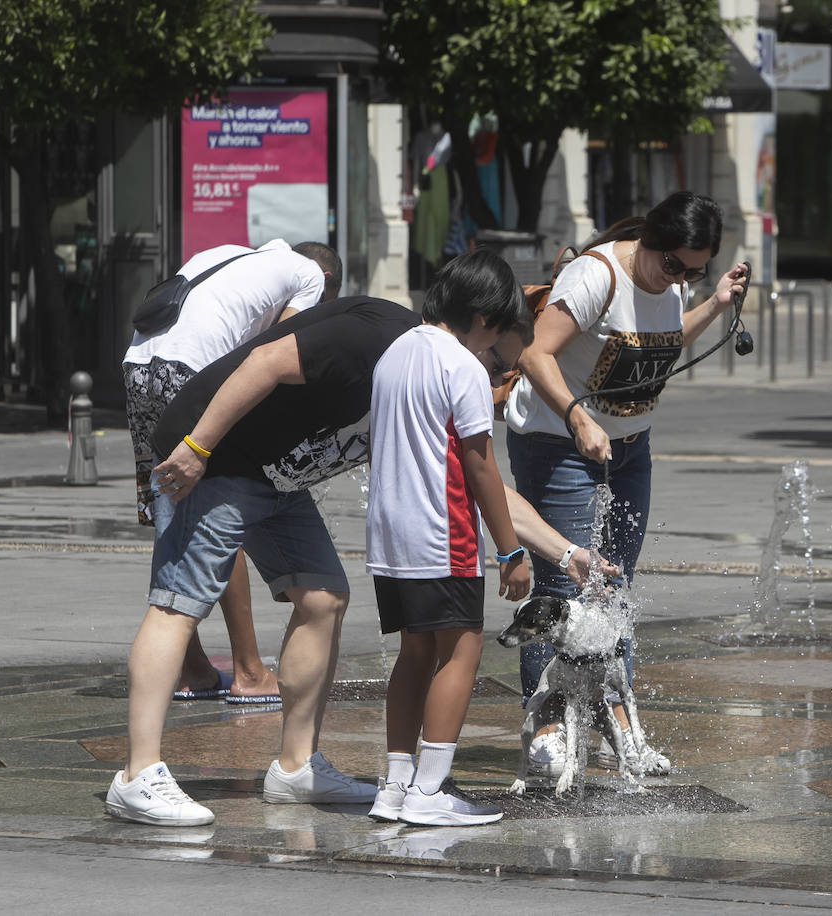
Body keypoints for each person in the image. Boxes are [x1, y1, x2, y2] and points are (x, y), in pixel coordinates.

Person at [105, 286, 613, 827]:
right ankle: (138, 775)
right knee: (179, 604)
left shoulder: (438, 376)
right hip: (215, 457)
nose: (495, 383)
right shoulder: (378, 337)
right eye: (496, 363)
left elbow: (477, 477)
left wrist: (565, 553)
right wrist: (199, 447)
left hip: (277, 476)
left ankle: (296, 766)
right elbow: (267, 359)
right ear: (476, 327)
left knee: (323, 598)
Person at [503, 190, 749, 777]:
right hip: (557, 443)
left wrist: (713, 303)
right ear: (652, 242)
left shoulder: (673, 282)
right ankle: (548, 726)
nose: (679, 278)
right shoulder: (597, 275)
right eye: (674, 265)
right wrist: (578, 417)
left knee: (615, 592)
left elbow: (660, 344)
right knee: (566, 580)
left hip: (629, 448)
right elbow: (537, 354)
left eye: (696, 270)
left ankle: (618, 725)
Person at [123, 238, 341, 706]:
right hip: (190, 372)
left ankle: (193, 667)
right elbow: (282, 354)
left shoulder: (233, 255)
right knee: (220, 510)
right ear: (326, 285)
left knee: (171, 507)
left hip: (138, 369)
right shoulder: (306, 276)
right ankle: (248, 669)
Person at [364, 250, 531, 826]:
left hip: (390, 534)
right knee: (462, 651)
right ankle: (430, 794)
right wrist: (511, 550)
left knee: (415, 650)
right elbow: (480, 466)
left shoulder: (394, 352)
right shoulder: (462, 367)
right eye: (498, 330)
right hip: (443, 531)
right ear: (484, 318)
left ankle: (395, 785)